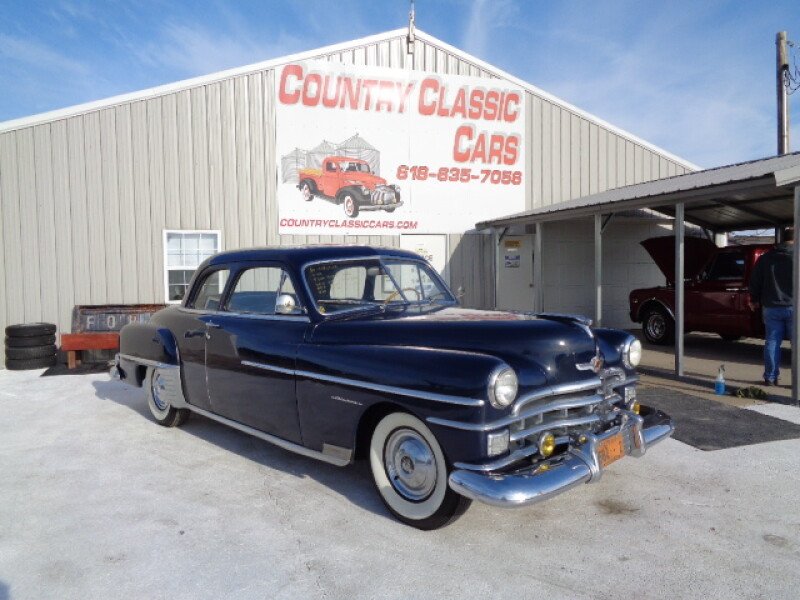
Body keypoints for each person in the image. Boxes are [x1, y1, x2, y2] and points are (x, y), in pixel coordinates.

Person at [748, 227, 795, 385]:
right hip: (795, 307)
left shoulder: (766, 257)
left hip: (771, 307)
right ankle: (797, 381)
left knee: (772, 342)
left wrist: (754, 299)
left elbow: (755, 281)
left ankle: (770, 377)